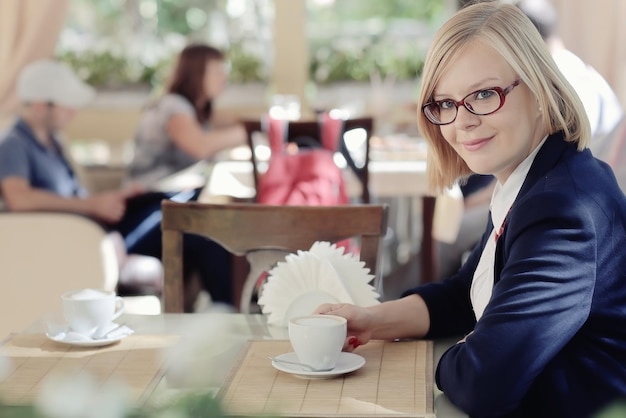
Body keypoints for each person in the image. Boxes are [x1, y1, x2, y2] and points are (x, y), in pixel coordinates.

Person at [315, 2, 626, 417]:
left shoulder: (562, 207)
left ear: (538, 90)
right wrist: (372, 320)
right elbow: (467, 293)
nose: (461, 122)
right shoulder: (531, 180)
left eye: (483, 94)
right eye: (445, 103)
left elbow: (485, 383)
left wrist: (459, 355)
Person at [0, 59, 233, 311]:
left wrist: (115, 197)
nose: (73, 111)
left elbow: (72, 197)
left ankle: (218, 312)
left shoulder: (52, 142)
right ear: (38, 105)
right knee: (198, 232)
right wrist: (92, 205)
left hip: (99, 228)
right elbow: (18, 198)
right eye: (66, 104)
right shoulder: (13, 145)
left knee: (186, 208)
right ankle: (229, 314)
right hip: (79, 239)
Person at [128, 43, 247, 188]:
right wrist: (253, 130)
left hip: (175, 195)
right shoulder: (173, 105)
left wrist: (258, 124)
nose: (224, 78)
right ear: (196, 74)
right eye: (217, 71)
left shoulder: (199, 109)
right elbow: (201, 146)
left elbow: (235, 121)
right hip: (149, 198)